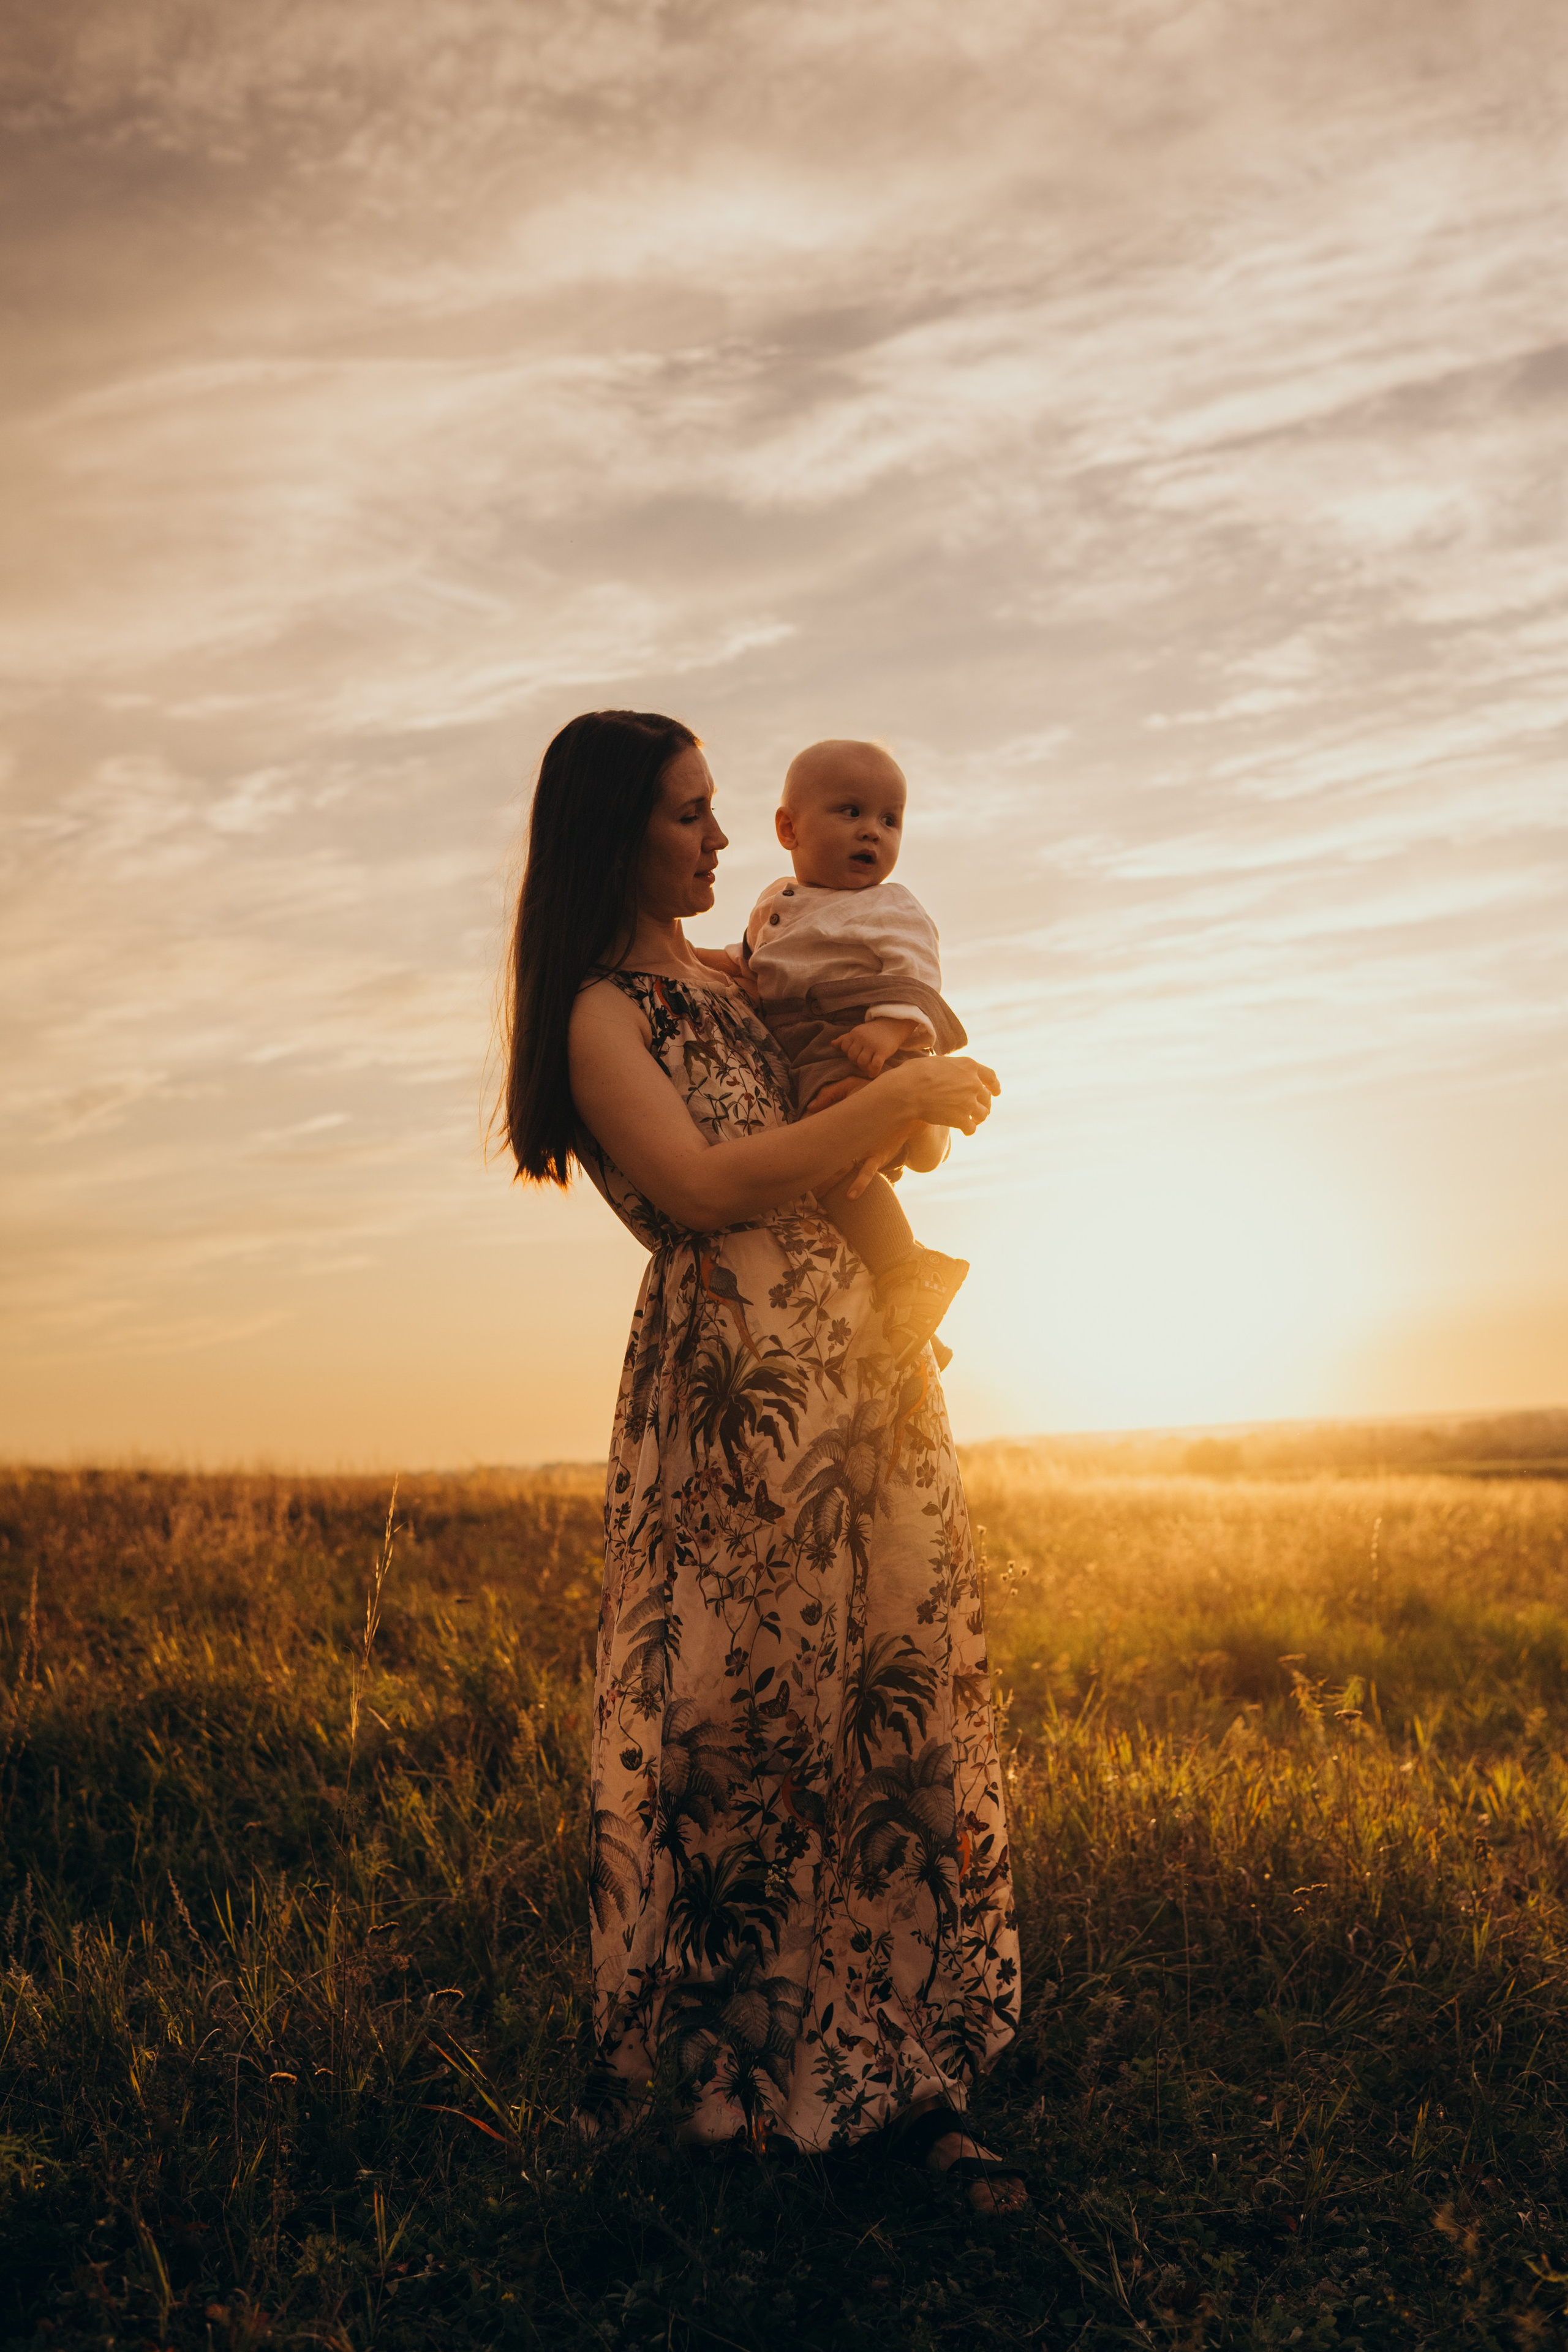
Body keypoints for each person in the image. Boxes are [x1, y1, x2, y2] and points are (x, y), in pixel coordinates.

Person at [502, 709, 1027, 2214]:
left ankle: (901, 2076)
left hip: (863, 1376)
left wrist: (907, 1076)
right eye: (687, 811)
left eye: (719, 805)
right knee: (739, 1737)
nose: (721, 837)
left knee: (883, 1718)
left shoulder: (743, 969)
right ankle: (737, 2081)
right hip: (734, 1404)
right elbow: (704, 1181)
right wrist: (889, 1102)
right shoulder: (599, 1010)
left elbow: (872, 1068)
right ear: (614, 830)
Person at [709, 737, 970, 1366]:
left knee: (839, 1172)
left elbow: (916, 978)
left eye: (889, 819)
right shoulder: (776, 903)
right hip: (805, 1047)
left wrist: (889, 1031)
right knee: (831, 1182)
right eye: (850, 812)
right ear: (787, 827)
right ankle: (914, 1326)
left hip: (858, 1043)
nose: (872, 834)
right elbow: (746, 966)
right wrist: (688, 960)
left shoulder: (891, 906)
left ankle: (908, 1269)